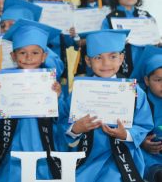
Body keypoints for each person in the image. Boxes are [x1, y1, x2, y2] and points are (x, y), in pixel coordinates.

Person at [63, 29, 154, 182]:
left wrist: (125, 134)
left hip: (121, 155)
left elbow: (144, 124)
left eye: (113, 56)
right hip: (87, 156)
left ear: (121, 58)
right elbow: (62, 124)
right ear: (87, 61)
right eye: (98, 57)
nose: (106, 63)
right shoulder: (79, 91)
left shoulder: (135, 91)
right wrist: (76, 129)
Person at [0, 19, 66, 182]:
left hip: (43, 139)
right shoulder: (5, 80)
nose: (29, 58)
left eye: (35, 53)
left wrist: (57, 97)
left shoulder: (51, 83)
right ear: (13, 56)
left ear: (44, 55)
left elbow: (62, 118)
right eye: (22, 53)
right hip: (14, 138)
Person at [100, 0, 153, 77]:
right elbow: (105, 43)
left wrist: (156, 41)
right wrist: (117, 42)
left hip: (145, 62)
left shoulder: (146, 16)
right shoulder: (110, 19)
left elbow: (154, 37)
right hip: (122, 66)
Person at [0, 0, 64, 81]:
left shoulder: (43, 51)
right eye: (2, 25)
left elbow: (57, 71)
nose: (6, 28)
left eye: (12, 24)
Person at [69, 0, 110, 76]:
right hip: (85, 55)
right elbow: (77, 43)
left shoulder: (109, 10)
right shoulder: (76, 12)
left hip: (106, 55)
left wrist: (88, 40)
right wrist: (75, 37)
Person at [130, 45, 162, 182]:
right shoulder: (138, 101)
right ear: (147, 81)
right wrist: (142, 142)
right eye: (159, 80)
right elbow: (127, 129)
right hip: (149, 155)